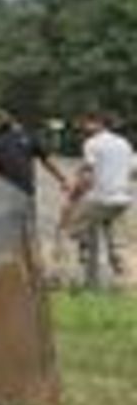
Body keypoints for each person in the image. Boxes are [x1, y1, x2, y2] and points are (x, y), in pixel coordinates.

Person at [66, 113, 132, 289]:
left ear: (98, 124)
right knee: (113, 238)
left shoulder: (92, 143)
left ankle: (89, 269)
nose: (83, 128)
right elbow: (132, 170)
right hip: (122, 199)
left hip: (101, 198)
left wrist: (74, 192)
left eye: (86, 124)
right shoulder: (124, 143)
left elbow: (88, 174)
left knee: (74, 226)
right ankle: (123, 280)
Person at [0, 108, 66, 200]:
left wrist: (63, 180)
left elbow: (46, 160)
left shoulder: (29, 135)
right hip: (2, 191)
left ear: (12, 117)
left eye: (2, 114)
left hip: (25, 190)